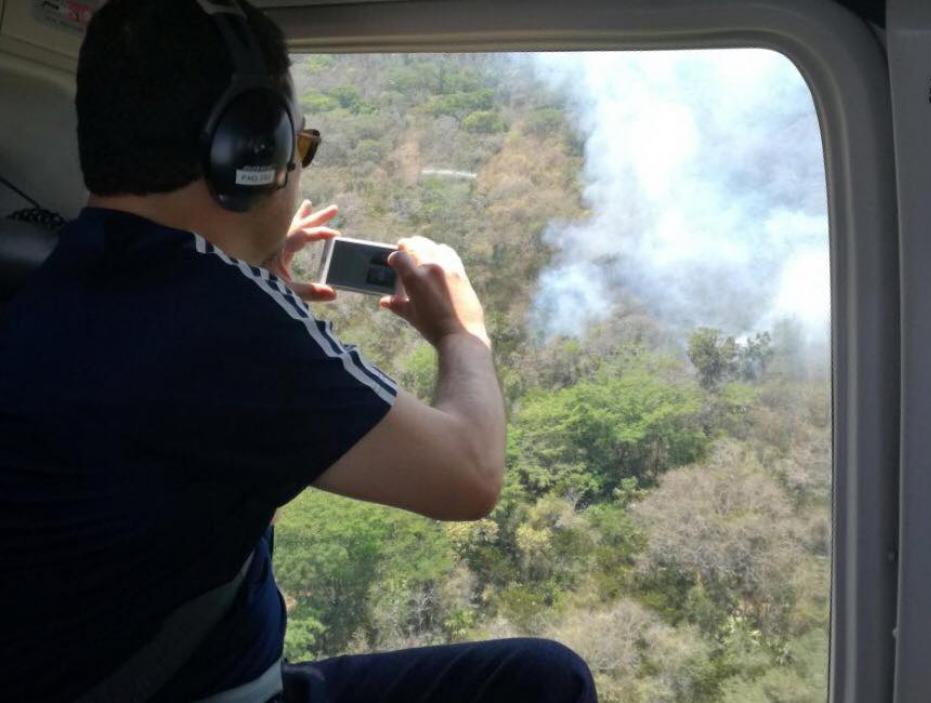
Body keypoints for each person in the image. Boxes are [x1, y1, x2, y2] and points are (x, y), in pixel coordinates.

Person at [0, 1, 599, 701]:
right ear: (250, 150)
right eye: (299, 146)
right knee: (544, 682)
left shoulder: (64, 267)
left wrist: (255, 276)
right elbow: (470, 473)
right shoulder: (222, 317)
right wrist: (462, 331)